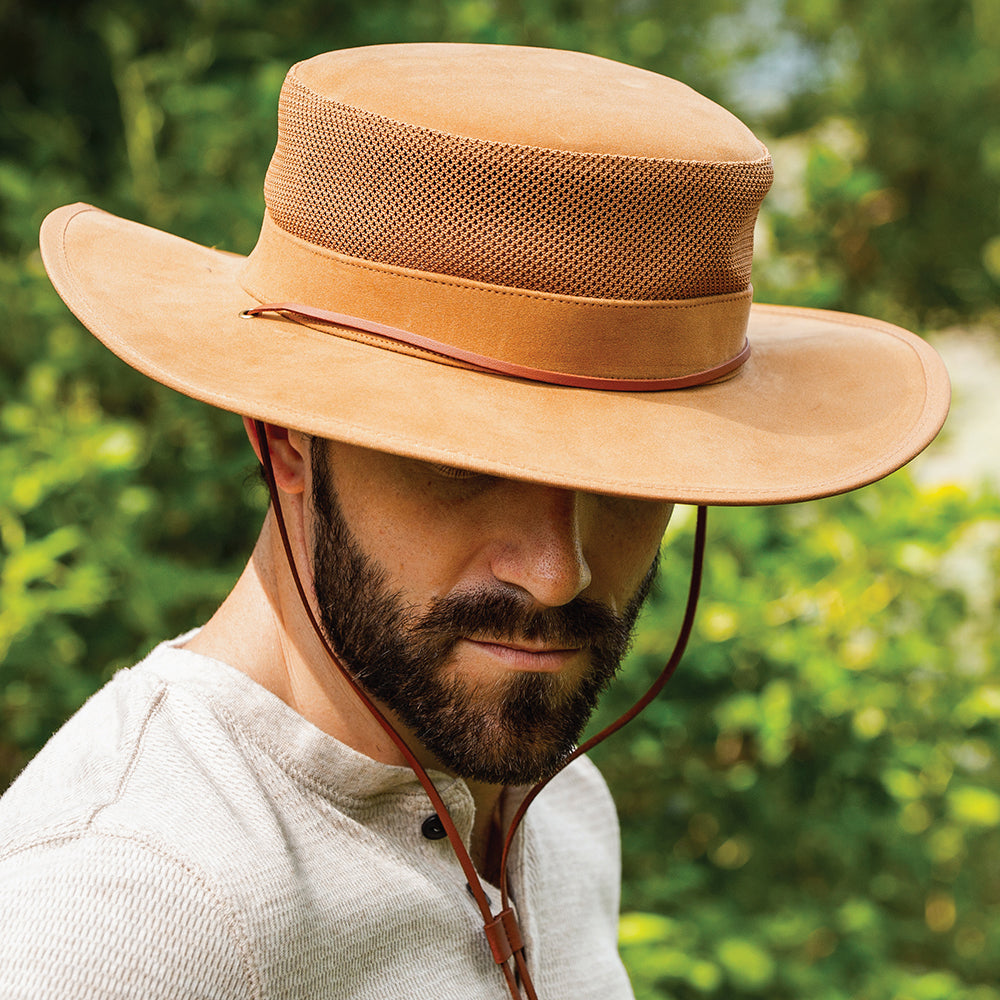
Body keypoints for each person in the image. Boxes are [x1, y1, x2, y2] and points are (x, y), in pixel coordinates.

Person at [0, 42, 949, 1000]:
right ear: (285, 437)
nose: (555, 572)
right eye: (464, 465)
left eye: (631, 473)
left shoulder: (552, 800)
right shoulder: (125, 906)